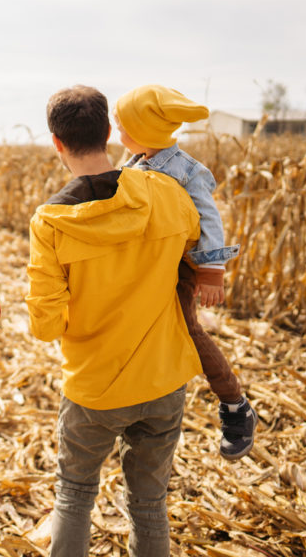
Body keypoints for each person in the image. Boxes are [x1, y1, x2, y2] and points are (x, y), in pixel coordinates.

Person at [26, 85, 202, 556]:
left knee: (74, 497)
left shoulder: (51, 223)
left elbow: (44, 326)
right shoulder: (165, 193)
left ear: (56, 143)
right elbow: (195, 244)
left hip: (94, 388)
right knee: (149, 505)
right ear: (108, 132)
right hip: (164, 379)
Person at [114, 84, 256, 460]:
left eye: (123, 125)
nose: (118, 132)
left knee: (188, 330)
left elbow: (209, 219)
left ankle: (235, 406)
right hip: (152, 264)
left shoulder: (185, 171)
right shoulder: (134, 163)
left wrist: (212, 271)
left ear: (145, 130)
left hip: (181, 268)